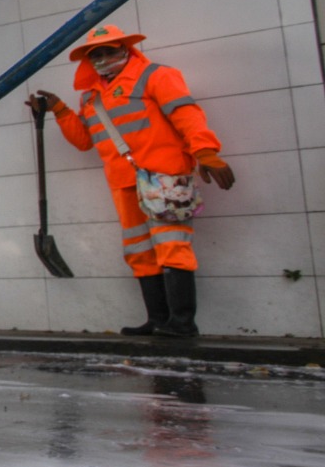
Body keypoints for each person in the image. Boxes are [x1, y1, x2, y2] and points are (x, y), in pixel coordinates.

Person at [28, 24, 235, 338]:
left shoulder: (156, 76)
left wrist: (205, 151)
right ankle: (158, 320)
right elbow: (85, 140)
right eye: (96, 54)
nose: (103, 57)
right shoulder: (91, 96)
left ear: (126, 49)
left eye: (109, 50)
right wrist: (59, 109)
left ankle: (182, 324)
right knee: (139, 251)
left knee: (172, 247)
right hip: (124, 182)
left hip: (165, 175)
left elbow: (185, 113)